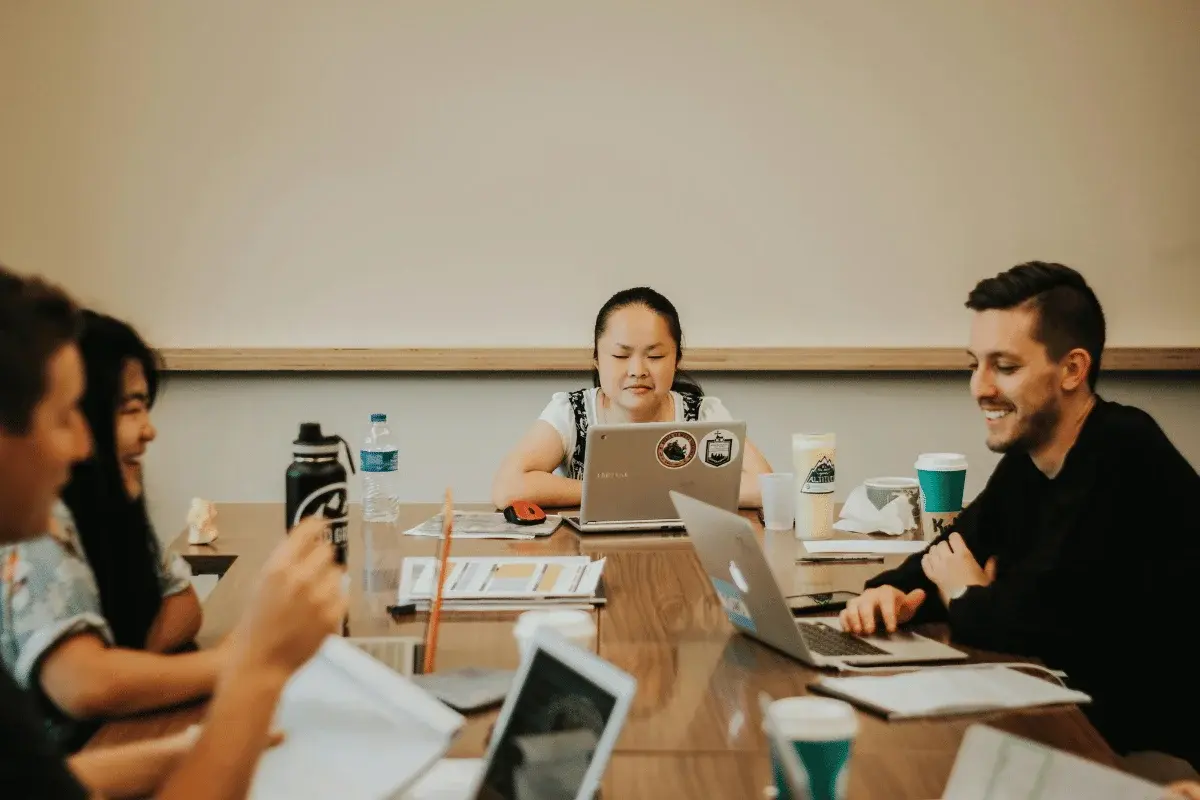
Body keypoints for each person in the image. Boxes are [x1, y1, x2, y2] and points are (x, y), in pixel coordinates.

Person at [0, 264, 347, 798]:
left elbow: (42, 784)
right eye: (65, 416)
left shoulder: (112, 508)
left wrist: (180, 752)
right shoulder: (44, 531)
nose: (82, 446)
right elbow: (85, 686)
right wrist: (254, 664)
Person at [838, 262, 1200, 772]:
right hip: (1070, 720)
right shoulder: (1028, 462)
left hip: (1153, 753)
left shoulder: (1123, 448)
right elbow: (950, 557)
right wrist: (891, 592)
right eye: (975, 364)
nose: (979, 387)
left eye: (1004, 367)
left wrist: (966, 593)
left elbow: (1033, 626)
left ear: (1073, 369)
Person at [492, 287, 771, 509]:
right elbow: (509, 487)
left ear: (677, 360)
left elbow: (765, 488)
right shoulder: (571, 412)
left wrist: (655, 491)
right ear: (597, 360)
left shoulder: (704, 415)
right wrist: (624, 490)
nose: (637, 371)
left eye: (655, 356)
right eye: (621, 356)